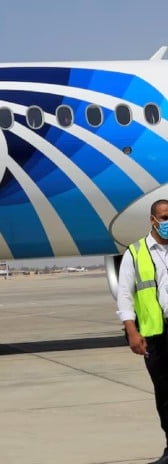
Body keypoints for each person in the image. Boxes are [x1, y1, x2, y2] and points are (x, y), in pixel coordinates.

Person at [117, 199, 168, 464]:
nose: (167, 222)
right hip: (156, 335)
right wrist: (132, 331)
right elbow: (124, 294)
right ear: (152, 220)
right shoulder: (135, 252)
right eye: (164, 217)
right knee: (164, 393)